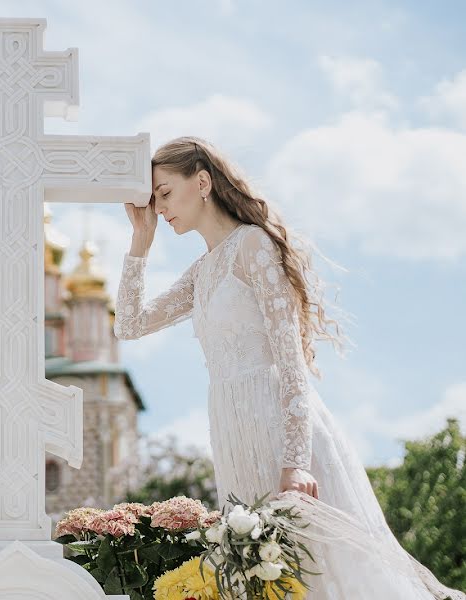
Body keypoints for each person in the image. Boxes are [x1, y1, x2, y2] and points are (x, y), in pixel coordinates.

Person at [114, 136, 464, 599]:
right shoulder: (203, 271)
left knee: (317, 573)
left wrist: (296, 463)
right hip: (233, 430)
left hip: (280, 431)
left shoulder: (252, 246)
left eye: (164, 193)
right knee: (263, 579)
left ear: (202, 182)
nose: (158, 208)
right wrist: (140, 243)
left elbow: (289, 359)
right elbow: (130, 324)